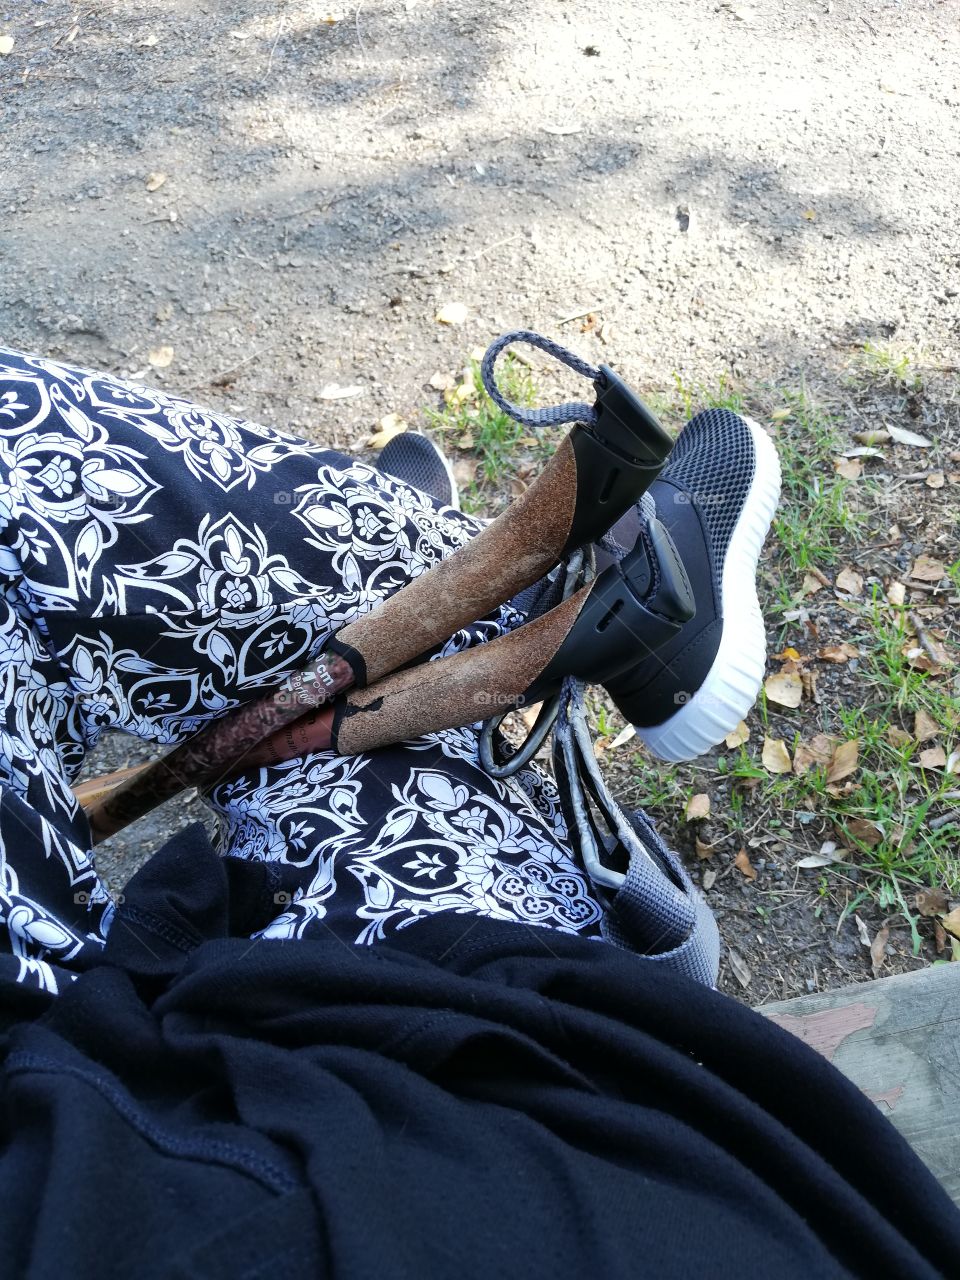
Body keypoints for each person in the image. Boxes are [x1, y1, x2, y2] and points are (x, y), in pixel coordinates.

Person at [0, 345, 955, 1278]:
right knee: (360, 761)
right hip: (480, 1058)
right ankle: (522, 591)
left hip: (73, 1064)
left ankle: (408, 574)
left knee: (308, 688)